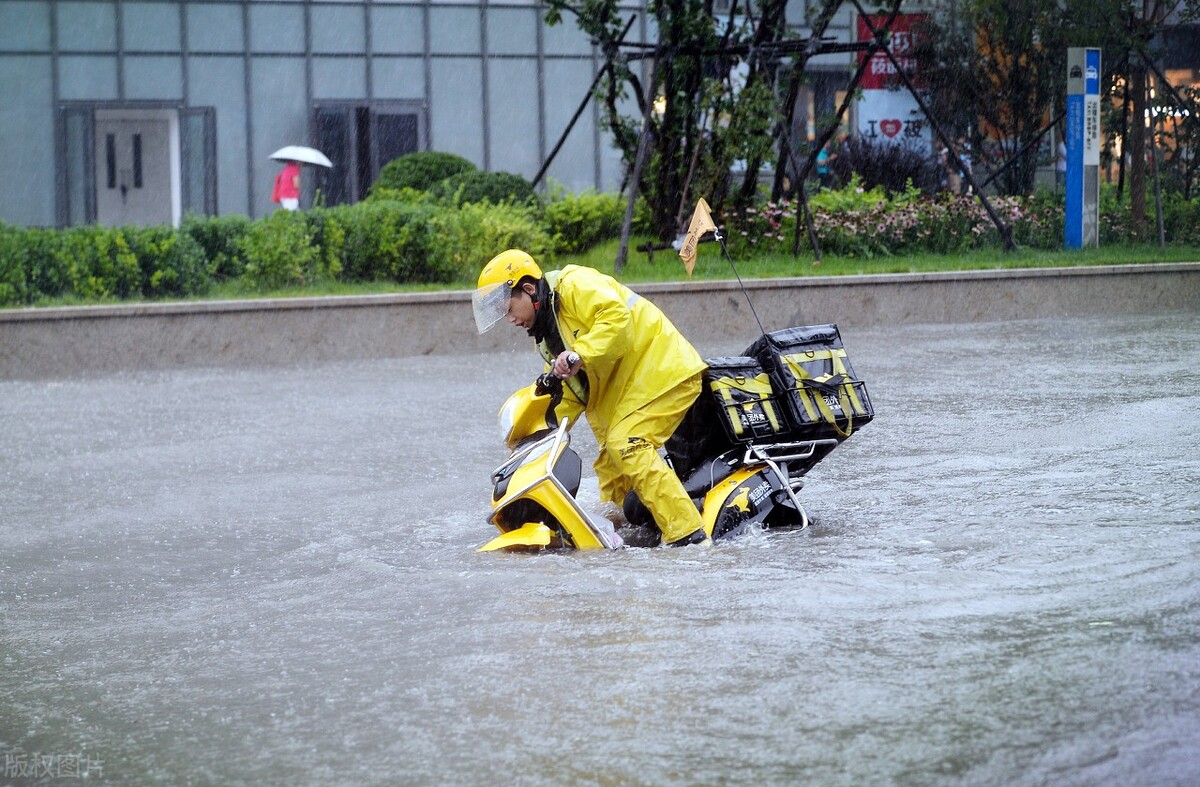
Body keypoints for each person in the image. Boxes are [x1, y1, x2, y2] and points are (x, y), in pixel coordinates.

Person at [473, 249, 710, 547]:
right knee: (610, 466)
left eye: (509, 309)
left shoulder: (574, 285)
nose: (510, 319)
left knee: (627, 444)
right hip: (634, 385)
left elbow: (617, 321)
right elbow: (576, 391)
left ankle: (689, 537)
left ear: (529, 289)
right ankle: (631, 533)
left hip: (665, 371)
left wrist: (579, 354)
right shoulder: (547, 335)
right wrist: (542, 431)